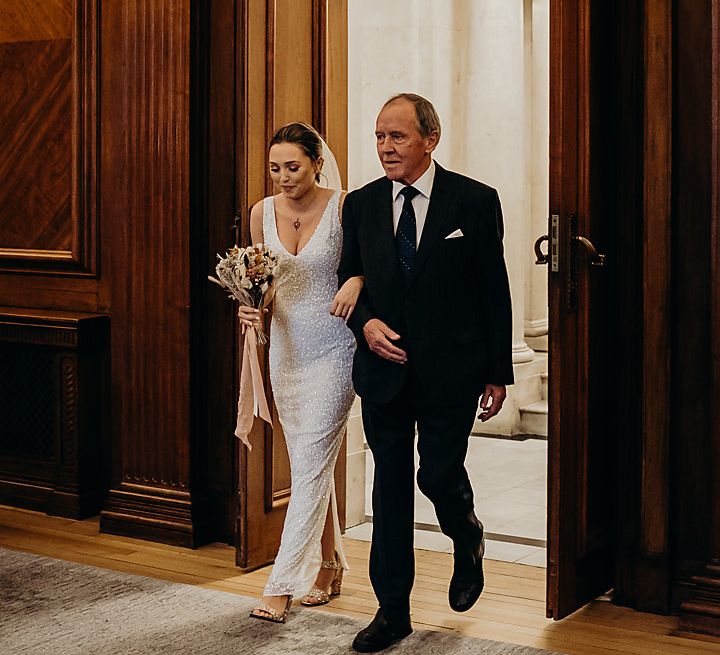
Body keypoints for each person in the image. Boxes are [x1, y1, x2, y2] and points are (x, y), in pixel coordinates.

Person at [338, 93, 514, 652]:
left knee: (437, 474)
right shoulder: (361, 204)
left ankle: (466, 533)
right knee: (389, 491)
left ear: (429, 140)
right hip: (382, 371)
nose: (385, 147)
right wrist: (364, 325)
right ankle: (392, 612)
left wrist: (498, 371)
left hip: (453, 370)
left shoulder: (474, 201)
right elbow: (349, 278)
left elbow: (495, 290)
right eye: (380, 136)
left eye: (398, 136)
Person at [240, 122, 362, 623]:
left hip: (336, 346)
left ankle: (281, 585)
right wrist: (251, 306)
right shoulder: (260, 214)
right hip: (285, 349)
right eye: (274, 168)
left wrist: (356, 280)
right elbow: (265, 284)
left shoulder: (344, 206)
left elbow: (369, 261)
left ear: (316, 162)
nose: (283, 177)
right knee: (311, 462)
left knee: (311, 460)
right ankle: (329, 565)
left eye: (293, 166)